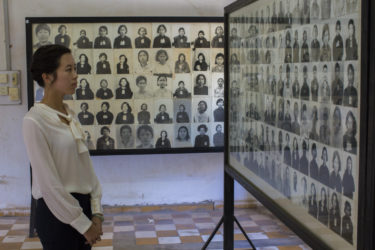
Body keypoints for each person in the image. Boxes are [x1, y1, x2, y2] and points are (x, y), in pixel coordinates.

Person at [24, 44, 103, 249]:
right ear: (47, 77)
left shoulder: (70, 115)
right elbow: (49, 185)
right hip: (57, 215)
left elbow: (86, 169)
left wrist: (96, 212)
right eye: (68, 70)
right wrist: (83, 225)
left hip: (81, 208)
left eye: (75, 68)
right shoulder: (35, 120)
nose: (75, 75)